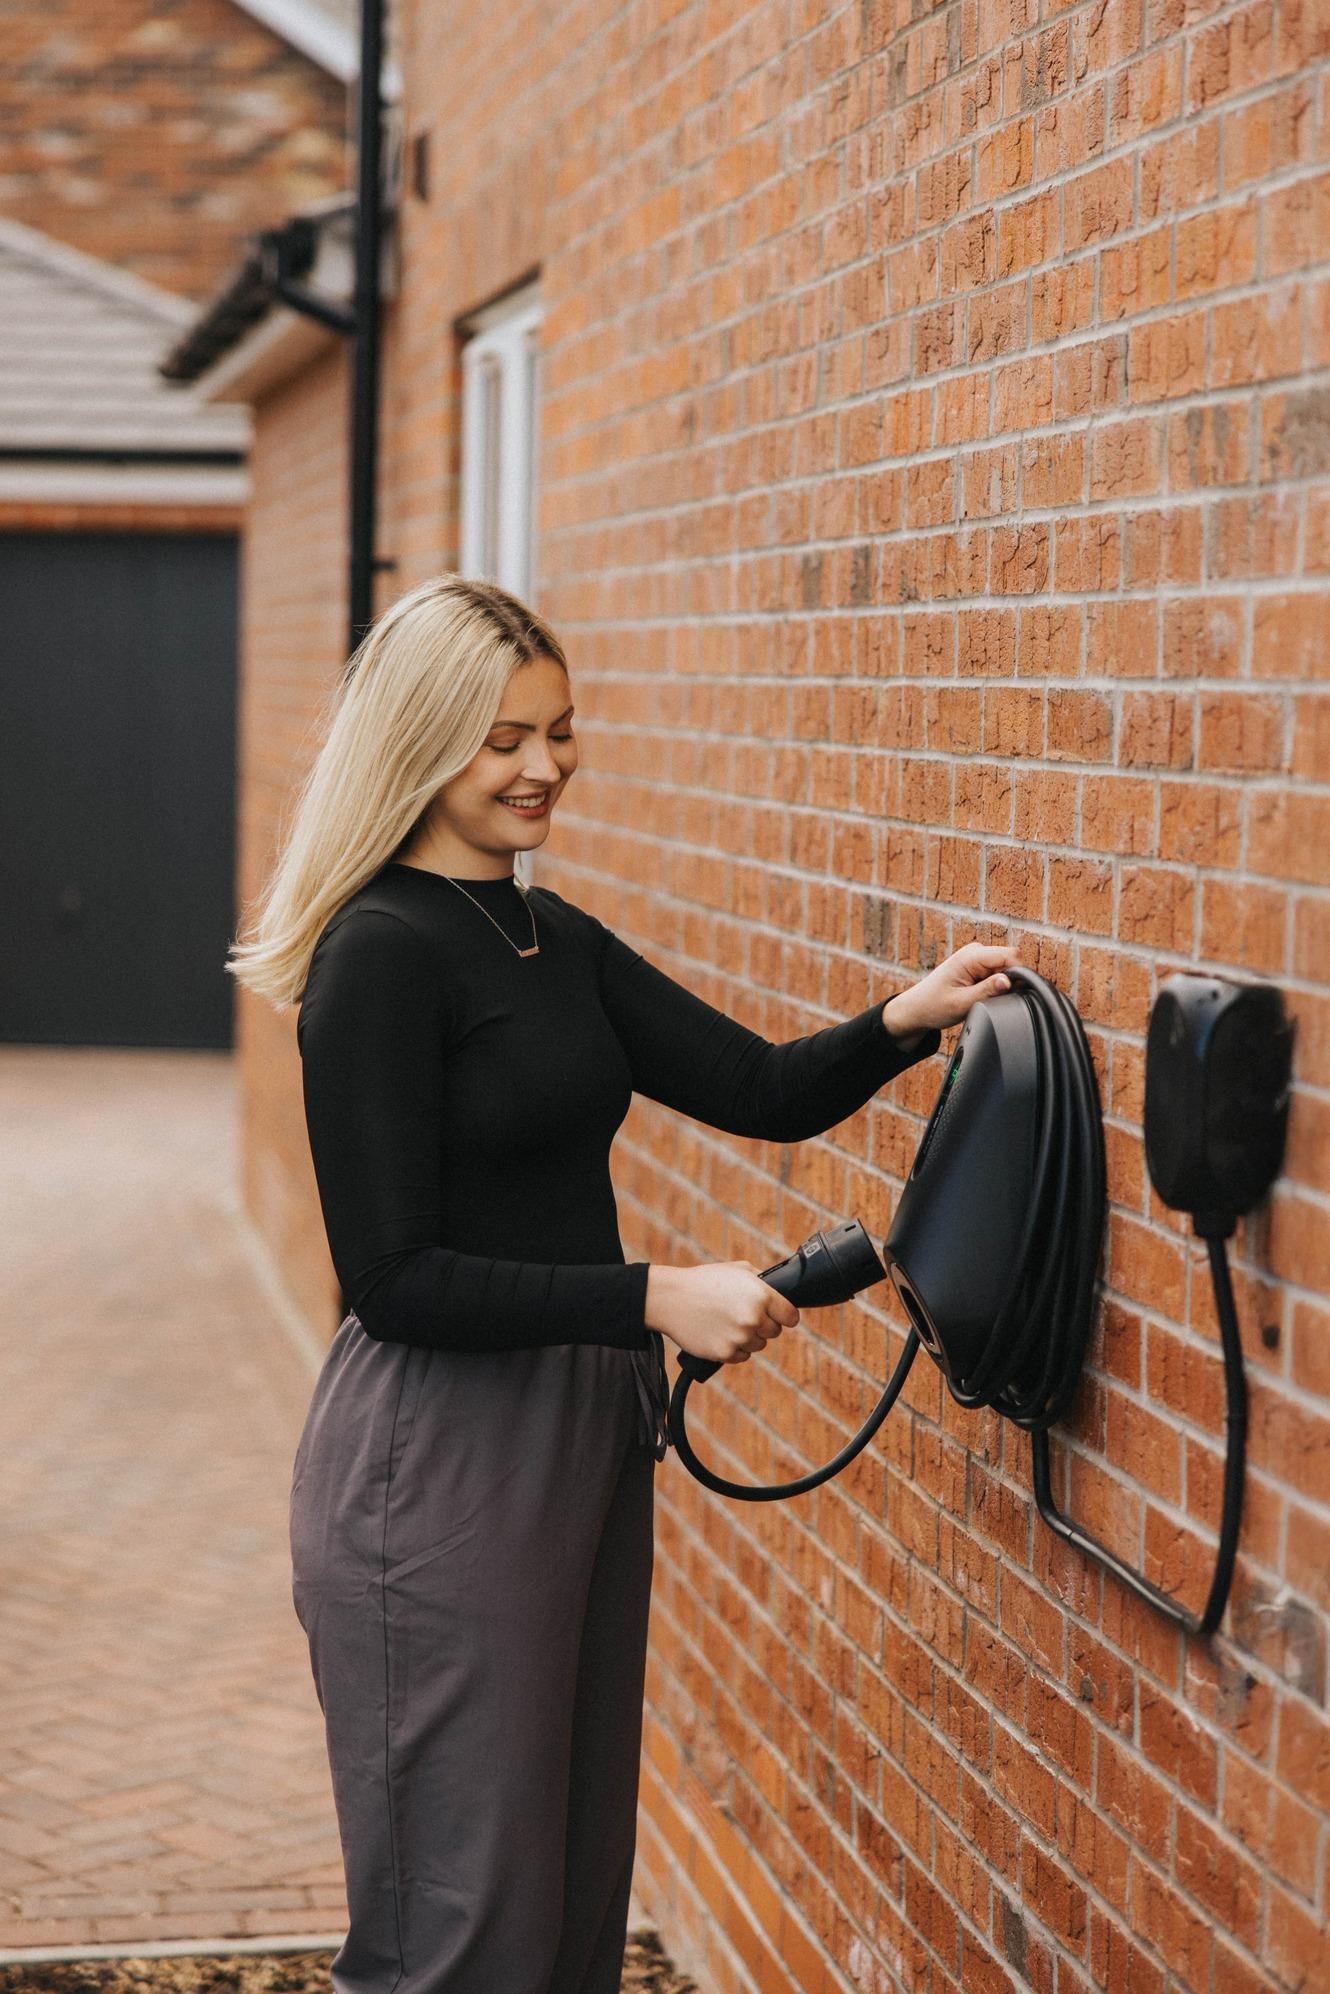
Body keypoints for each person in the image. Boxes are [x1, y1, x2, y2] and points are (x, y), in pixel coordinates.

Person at [227, 573, 1018, 1994]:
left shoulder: (551, 936)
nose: (544, 767)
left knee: (570, 1902)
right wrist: (651, 1293)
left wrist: (910, 1018)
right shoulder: (378, 957)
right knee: (457, 1926)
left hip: (585, 1419)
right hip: (440, 1449)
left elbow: (760, 1088)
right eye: (502, 739)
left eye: (560, 731)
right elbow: (390, 1277)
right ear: (417, 742)